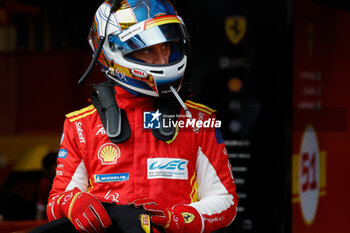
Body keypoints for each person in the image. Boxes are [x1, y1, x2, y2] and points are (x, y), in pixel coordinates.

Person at [46, 1, 238, 233]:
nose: (162, 60)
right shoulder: (80, 125)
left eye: (166, 47)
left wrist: (175, 220)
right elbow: (56, 203)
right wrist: (72, 203)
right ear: (111, 51)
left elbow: (225, 202)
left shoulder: (198, 121)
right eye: (148, 50)